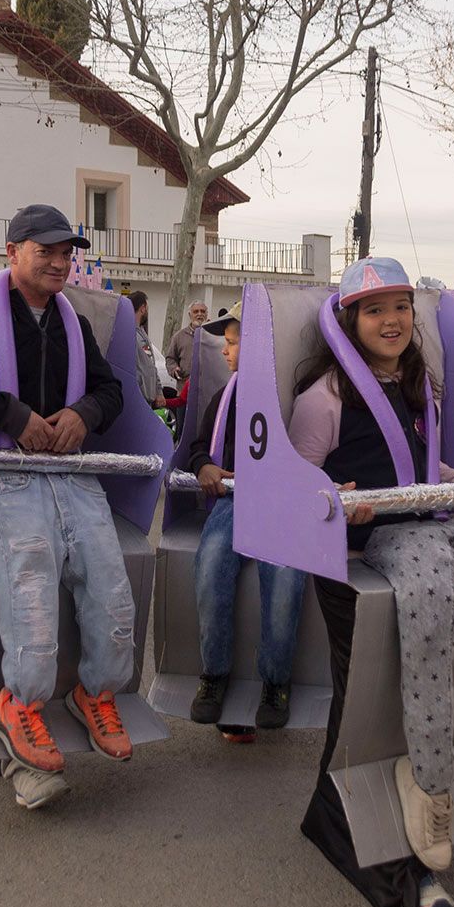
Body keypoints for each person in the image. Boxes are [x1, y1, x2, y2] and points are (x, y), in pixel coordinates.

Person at [291, 258, 454, 907]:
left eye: (401, 307)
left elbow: (425, 468)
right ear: (348, 321)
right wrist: (331, 498)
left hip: (431, 519)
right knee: (429, 604)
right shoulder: (324, 396)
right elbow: (298, 479)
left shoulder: (417, 387)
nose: (392, 321)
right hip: (379, 541)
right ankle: (426, 785)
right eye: (375, 310)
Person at [0, 203, 136, 806]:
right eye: (46, 251)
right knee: (30, 591)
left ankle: (97, 692)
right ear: (12, 252)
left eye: (67, 253)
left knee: (112, 588)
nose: (60, 263)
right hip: (0, 476)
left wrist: (83, 414)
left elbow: (111, 389)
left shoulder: (74, 323)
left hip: (71, 475)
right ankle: (18, 703)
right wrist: (10, 416)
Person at [186, 305, 308, 744]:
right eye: (226, 343)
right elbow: (198, 445)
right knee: (210, 564)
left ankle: (276, 682)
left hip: (284, 503)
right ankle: (214, 673)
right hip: (234, 500)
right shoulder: (225, 398)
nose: (226, 351)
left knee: (286, 578)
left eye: (234, 343)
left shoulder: (293, 396)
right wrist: (203, 465)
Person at [126, 290, 166, 410]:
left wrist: (158, 391)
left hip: (146, 398)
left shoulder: (141, 333)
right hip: (138, 398)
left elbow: (150, 365)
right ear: (143, 308)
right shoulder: (129, 333)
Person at [165, 300, 210, 382]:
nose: (199, 314)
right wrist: (174, 369)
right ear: (190, 315)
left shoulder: (213, 335)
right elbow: (170, 359)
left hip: (209, 385)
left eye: (203, 311)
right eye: (196, 312)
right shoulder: (179, 337)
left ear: (206, 314)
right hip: (185, 385)